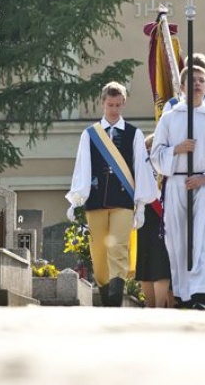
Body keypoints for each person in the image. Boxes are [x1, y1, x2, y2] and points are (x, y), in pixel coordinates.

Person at [65, 82, 158, 307]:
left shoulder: (134, 134)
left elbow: (140, 169)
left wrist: (142, 205)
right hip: (96, 200)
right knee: (99, 252)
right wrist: (76, 199)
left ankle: (116, 298)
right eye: (110, 105)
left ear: (123, 103)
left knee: (118, 247)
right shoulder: (90, 134)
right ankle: (107, 295)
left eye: (118, 105)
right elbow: (83, 167)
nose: (114, 110)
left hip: (123, 200)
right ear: (102, 103)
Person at [150, 65, 205, 310]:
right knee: (178, 239)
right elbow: (155, 154)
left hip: (204, 185)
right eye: (192, 81)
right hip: (177, 183)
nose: (197, 84)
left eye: (202, 81)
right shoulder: (170, 117)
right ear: (182, 86)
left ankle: (202, 291)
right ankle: (185, 292)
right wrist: (178, 149)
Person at [135, 134, 173, 308]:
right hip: (145, 217)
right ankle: (150, 305)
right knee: (144, 265)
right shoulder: (140, 166)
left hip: (164, 218)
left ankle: (159, 306)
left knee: (161, 264)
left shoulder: (168, 164)